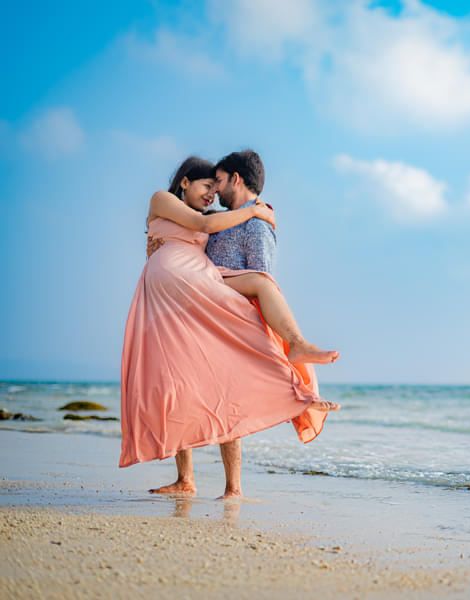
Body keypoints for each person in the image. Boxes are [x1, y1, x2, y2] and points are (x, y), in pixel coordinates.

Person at [120, 156, 338, 499]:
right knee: (177, 387)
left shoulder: (218, 220)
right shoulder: (163, 201)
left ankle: (297, 398)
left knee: (227, 390)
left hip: (203, 297)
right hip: (171, 308)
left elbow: (215, 240)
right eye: (207, 185)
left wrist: (254, 211)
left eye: (216, 185)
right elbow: (191, 230)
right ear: (185, 182)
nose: (212, 193)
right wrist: (253, 210)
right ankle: (185, 480)